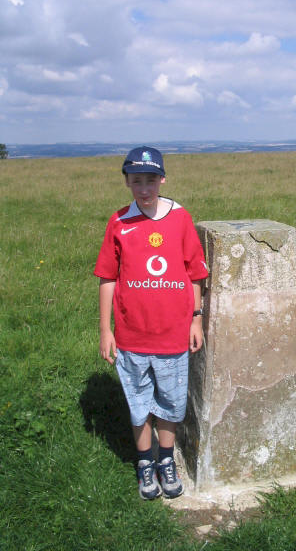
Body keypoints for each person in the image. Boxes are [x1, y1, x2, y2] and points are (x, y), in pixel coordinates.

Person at [94, 146, 208, 500]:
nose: (144, 189)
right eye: (136, 180)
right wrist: (105, 329)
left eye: (150, 180)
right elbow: (107, 278)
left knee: (171, 404)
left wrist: (196, 319)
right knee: (139, 404)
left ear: (163, 179)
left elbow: (194, 274)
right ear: (127, 181)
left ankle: (165, 459)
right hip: (131, 336)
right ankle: (145, 463)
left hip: (173, 335)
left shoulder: (180, 218)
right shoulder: (119, 221)